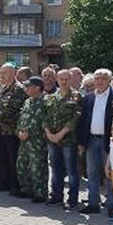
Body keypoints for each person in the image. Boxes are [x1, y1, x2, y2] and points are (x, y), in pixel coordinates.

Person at [77, 69, 113, 216]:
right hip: (91, 140)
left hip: (108, 141)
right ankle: (93, 204)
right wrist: (81, 142)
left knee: (109, 173)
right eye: (97, 78)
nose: (100, 81)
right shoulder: (89, 97)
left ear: (109, 81)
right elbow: (83, 120)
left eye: (103, 78)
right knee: (92, 173)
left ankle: (111, 204)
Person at [44, 70, 83, 209]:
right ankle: (56, 196)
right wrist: (48, 133)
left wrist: (61, 133)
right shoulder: (50, 98)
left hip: (68, 140)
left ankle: (72, 199)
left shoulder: (76, 96)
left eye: (67, 79)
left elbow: (76, 118)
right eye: (61, 79)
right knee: (55, 170)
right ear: (57, 79)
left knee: (71, 171)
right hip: (52, 140)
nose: (64, 82)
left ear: (71, 80)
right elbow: (44, 117)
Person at [0, 63, 27, 193]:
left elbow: (13, 108)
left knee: (13, 158)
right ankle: (4, 182)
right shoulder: (1, 89)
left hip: (12, 130)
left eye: (4, 73)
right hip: (0, 129)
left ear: (13, 74)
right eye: (1, 73)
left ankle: (15, 185)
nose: (1, 76)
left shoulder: (19, 89)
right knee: (2, 157)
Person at [16, 77, 48, 202]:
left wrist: (29, 132)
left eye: (29, 86)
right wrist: (19, 131)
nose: (26, 88)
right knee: (22, 166)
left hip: (37, 141)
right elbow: (21, 118)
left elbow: (43, 121)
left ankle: (41, 193)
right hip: (24, 140)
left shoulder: (44, 102)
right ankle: (27, 189)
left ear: (38, 88)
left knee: (38, 167)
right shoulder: (27, 101)